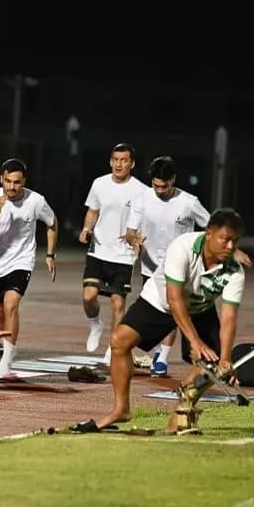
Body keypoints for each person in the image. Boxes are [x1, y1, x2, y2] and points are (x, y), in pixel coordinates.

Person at [74, 209, 246, 434]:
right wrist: (195, 342)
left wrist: (225, 359)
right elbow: (174, 299)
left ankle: (179, 416)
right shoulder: (182, 248)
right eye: (225, 239)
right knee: (119, 341)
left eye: (235, 241)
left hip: (201, 308)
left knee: (208, 363)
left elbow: (229, 316)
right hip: (161, 300)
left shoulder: (235, 272)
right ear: (209, 234)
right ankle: (121, 409)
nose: (231, 247)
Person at [125, 156, 241, 377]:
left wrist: (232, 249)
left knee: (176, 307)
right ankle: (156, 351)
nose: (159, 190)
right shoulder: (141, 199)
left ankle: (163, 355)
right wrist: (134, 241)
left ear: (173, 180)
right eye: (155, 185)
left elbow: (214, 228)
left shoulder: (189, 202)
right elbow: (130, 232)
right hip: (152, 267)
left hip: (184, 267)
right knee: (162, 311)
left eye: (164, 186)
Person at [0, 159, 58, 377]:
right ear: (1, 179)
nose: (12, 187)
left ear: (24, 181)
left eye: (17, 182)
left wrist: (50, 255)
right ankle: (6, 345)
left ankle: (7, 357)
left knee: (11, 305)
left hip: (21, 261)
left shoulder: (36, 201)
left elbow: (52, 222)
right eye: (8, 181)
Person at [79, 143, 149, 359]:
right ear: (110, 161)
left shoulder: (141, 191)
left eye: (124, 160)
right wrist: (86, 229)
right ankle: (95, 324)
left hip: (123, 255)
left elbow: (145, 221)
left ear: (132, 164)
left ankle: (113, 349)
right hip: (99, 250)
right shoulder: (99, 183)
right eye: (115, 160)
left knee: (118, 302)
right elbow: (93, 211)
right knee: (89, 296)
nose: (119, 164)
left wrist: (139, 240)